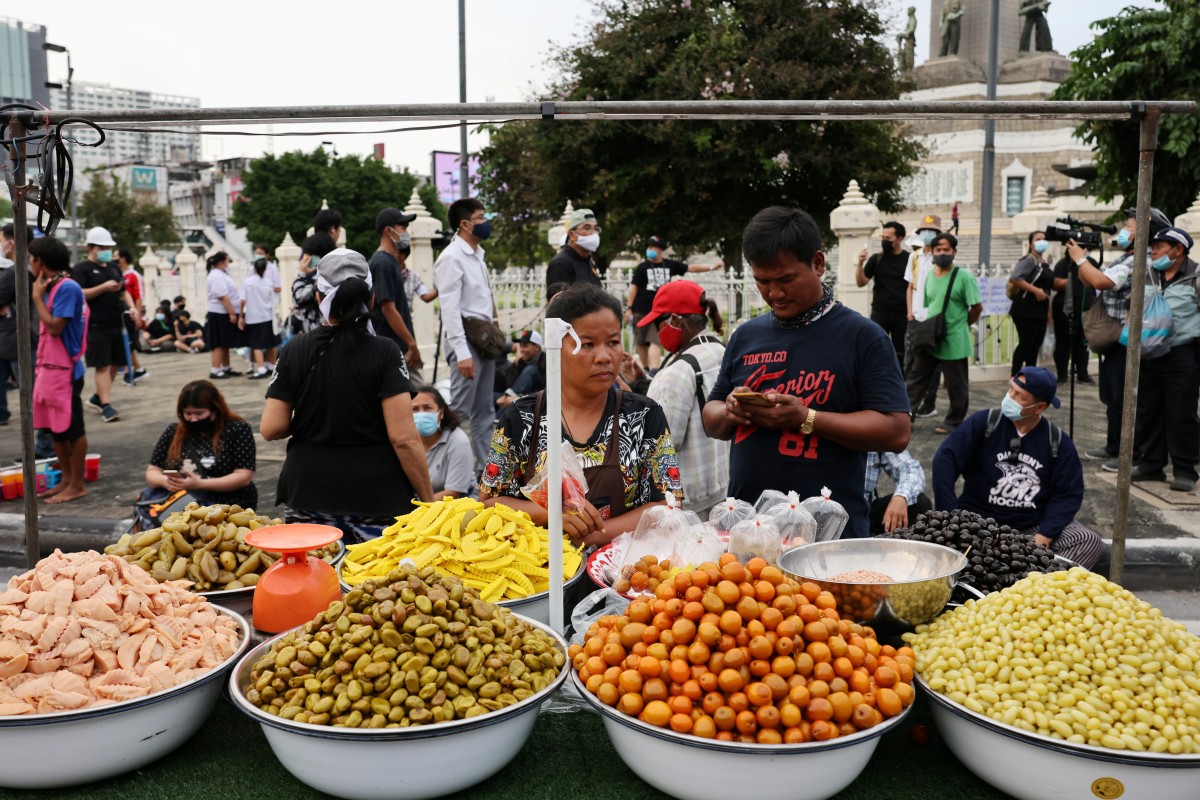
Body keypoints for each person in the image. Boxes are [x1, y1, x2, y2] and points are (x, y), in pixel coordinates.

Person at [702, 206, 911, 539]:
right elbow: (712, 418)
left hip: (828, 535)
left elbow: (896, 431)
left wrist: (807, 418)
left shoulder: (862, 337)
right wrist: (731, 410)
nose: (774, 293)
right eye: (762, 281)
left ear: (817, 263)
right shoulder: (746, 336)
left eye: (785, 279)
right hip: (749, 531)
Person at [481, 283, 683, 546]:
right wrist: (549, 514)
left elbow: (669, 505)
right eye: (587, 344)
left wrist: (594, 534)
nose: (604, 356)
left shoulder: (643, 416)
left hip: (625, 565)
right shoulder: (522, 418)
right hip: (540, 566)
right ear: (555, 347)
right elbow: (488, 504)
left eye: (613, 342)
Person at [261, 248, 432, 543]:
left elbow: (271, 428)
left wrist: (313, 417)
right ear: (371, 298)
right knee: (374, 574)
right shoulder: (386, 352)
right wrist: (429, 500)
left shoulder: (294, 349)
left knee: (317, 573)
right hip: (377, 499)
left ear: (319, 298)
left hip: (309, 496)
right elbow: (403, 439)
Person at [932, 367, 1104, 569]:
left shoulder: (1057, 441)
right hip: (978, 524)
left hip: (1030, 529)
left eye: (1020, 396)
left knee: (1087, 540)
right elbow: (945, 460)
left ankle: (1037, 581)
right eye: (1011, 389)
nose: (1010, 398)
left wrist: (1046, 532)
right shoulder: (984, 423)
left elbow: (1068, 493)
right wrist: (952, 517)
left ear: (1039, 407)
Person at [1067, 209, 1158, 468]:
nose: (1124, 231)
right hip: (1113, 338)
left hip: (1126, 338)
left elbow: (1102, 282)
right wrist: (1081, 261)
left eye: (1129, 226)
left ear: (1143, 232)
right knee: (1111, 397)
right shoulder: (1125, 257)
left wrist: (1080, 259)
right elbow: (1090, 281)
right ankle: (1113, 446)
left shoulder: (1140, 260)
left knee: (1124, 398)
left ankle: (1130, 453)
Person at [641, 279, 729, 517]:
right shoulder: (721, 351)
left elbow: (663, 443)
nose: (657, 334)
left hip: (689, 503)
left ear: (676, 321)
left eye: (659, 325)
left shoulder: (677, 372)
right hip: (723, 487)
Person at [1128, 227, 1200, 492]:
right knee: (1148, 411)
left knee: (1181, 413)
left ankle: (1185, 470)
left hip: (1182, 354)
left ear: (1178, 249)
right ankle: (1151, 465)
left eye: (1159, 247)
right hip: (1149, 353)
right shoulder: (1147, 274)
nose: (1153, 251)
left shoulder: (1195, 276)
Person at [434, 197, 499, 471]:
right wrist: (462, 353)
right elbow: (449, 310)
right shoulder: (451, 258)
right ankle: (434, 465)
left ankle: (488, 473)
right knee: (458, 411)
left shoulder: (477, 257)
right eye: (480, 217)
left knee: (485, 412)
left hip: (483, 342)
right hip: (466, 344)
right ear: (464, 224)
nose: (486, 222)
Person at [30, 236, 90, 504]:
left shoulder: (67, 287)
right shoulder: (53, 285)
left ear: (40, 261)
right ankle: (66, 479)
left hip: (66, 371)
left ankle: (77, 484)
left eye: (31, 258)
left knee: (73, 428)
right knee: (55, 428)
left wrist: (37, 299)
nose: (30, 263)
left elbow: (55, 327)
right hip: (50, 370)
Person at [905, 232, 982, 434]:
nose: (942, 253)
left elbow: (976, 307)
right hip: (930, 336)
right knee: (915, 379)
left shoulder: (964, 277)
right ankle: (905, 417)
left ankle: (953, 421)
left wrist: (962, 324)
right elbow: (931, 305)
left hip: (954, 338)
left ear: (954, 251)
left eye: (946, 250)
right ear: (932, 252)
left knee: (956, 384)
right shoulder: (930, 275)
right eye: (938, 250)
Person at [144, 380, 258, 508]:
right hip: (183, 503)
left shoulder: (237, 429)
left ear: (215, 410)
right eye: (188, 414)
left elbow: (243, 476)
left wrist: (199, 484)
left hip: (228, 503)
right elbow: (152, 471)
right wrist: (166, 481)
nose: (193, 419)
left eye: (199, 413)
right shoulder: (174, 432)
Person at [626, 235, 721, 369]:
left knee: (655, 340)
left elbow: (691, 268)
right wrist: (629, 307)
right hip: (642, 309)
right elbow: (634, 287)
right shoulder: (643, 267)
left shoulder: (669, 264)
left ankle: (654, 369)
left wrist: (711, 267)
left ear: (660, 250)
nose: (650, 249)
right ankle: (646, 368)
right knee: (641, 341)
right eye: (649, 247)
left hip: (662, 311)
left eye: (653, 247)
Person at [72, 226, 136, 423]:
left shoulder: (112, 268)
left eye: (108, 248)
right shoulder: (81, 269)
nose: (106, 251)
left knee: (117, 361)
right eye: (102, 248)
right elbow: (79, 293)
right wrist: (103, 288)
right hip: (95, 324)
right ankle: (106, 405)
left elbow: (123, 291)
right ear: (90, 248)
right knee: (103, 365)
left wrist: (132, 307)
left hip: (116, 322)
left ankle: (98, 398)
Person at [369, 207, 421, 368]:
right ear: (388, 231)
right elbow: (388, 309)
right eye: (403, 227)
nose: (406, 233)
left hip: (398, 347)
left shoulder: (390, 261)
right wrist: (411, 344)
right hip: (392, 348)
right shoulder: (383, 263)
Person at [904, 214, 943, 418]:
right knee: (910, 362)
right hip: (916, 317)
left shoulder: (941, 258)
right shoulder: (914, 257)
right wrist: (910, 313)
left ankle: (929, 403)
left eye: (932, 231)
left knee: (934, 364)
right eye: (925, 231)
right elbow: (910, 286)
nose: (928, 234)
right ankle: (909, 404)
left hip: (934, 317)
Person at [856, 221, 911, 362]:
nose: (884, 241)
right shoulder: (877, 259)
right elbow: (861, 282)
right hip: (880, 313)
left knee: (900, 353)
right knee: (875, 349)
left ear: (900, 238)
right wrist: (860, 264)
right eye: (883, 238)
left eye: (888, 238)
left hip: (902, 314)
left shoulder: (909, 260)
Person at [413, 386, 475, 501]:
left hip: (456, 503)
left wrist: (418, 507)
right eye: (415, 409)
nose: (421, 414)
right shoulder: (406, 441)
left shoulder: (458, 441)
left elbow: (453, 492)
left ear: (441, 413)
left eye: (427, 408)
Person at [1007, 231, 1054, 376]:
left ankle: (1029, 376)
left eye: (1044, 239)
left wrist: (1048, 312)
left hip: (1040, 310)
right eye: (1038, 239)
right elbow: (1015, 278)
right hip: (1025, 309)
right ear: (1030, 244)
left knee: (1035, 346)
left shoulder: (1044, 263)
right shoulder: (1028, 260)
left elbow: (1047, 289)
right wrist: (1035, 290)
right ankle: (1015, 375)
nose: (1041, 242)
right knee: (1026, 343)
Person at [863, 449, 932, 535]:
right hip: (848, 510)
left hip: (867, 508)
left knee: (919, 503)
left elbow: (910, 467)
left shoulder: (877, 441)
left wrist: (901, 496)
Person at [1050, 251, 1092, 385]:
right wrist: (1073, 279)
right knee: (1063, 342)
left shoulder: (1089, 263)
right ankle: (1062, 375)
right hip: (1064, 308)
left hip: (1085, 308)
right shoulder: (1063, 264)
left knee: (1082, 342)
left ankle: (1082, 374)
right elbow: (1055, 284)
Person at [546, 208, 602, 297]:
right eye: (587, 228)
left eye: (596, 228)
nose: (594, 233)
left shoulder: (588, 261)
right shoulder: (561, 264)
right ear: (572, 235)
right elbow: (557, 302)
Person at [204, 252, 242, 380]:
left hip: (224, 312)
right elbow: (223, 297)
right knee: (219, 342)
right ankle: (215, 369)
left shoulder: (222, 274)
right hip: (220, 312)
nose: (228, 263)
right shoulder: (216, 276)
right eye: (227, 261)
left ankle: (226, 367)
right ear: (221, 262)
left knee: (225, 342)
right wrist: (231, 313)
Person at [289, 232, 335, 336]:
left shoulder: (321, 280)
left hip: (320, 335)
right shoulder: (333, 274)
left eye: (307, 255)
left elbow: (298, 299)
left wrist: (302, 274)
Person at [240, 258, 277, 379]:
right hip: (267, 316)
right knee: (270, 342)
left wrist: (241, 316)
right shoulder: (268, 282)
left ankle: (261, 368)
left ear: (254, 268)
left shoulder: (248, 282)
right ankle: (271, 365)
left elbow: (242, 301)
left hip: (253, 317)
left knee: (256, 344)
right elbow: (273, 300)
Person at [116, 249, 147, 384]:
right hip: (120, 314)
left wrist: (138, 316)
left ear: (122, 258)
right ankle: (137, 369)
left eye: (115, 256)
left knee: (128, 344)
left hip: (131, 314)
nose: (113, 259)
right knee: (126, 344)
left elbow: (139, 297)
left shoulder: (134, 275)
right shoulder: (117, 274)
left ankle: (132, 371)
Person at [495, 330, 546, 412]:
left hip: (534, 401)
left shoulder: (546, 362)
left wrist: (518, 397)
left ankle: (507, 399)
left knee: (530, 370)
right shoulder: (522, 361)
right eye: (520, 346)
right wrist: (516, 365)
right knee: (490, 396)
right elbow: (509, 382)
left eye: (525, 346)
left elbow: (544, 391)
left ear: (536, 347)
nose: (521, 350)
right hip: (518, 398)